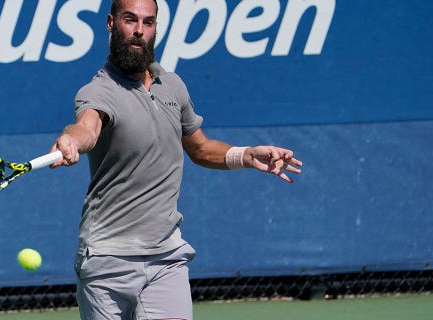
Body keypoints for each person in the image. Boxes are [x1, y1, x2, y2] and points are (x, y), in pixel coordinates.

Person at [49, 0, 302, 319]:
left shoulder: (173, 86)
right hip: (106, 258)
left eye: (148, 22)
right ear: (111, 23)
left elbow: (200, 149)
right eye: (130, 20)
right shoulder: (98, 91)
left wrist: (247, 155)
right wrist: (72, 139)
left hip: (165, 258)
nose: (139, 31)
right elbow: (87, 126)